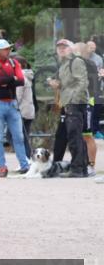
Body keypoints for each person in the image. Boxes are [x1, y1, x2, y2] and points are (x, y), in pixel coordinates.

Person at [0, 39, 30, 177]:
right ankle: (2, 167)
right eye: (5, 49)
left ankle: (24, 165)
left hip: (12, 103)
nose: (8, 51)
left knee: (19, 136)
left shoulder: (14, 63)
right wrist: (11, 79)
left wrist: (4, 79)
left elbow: (21, 80)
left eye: (9, 49)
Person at [48, 39, 90, 177]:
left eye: (64, 47)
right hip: (68, 102)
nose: (61, 49)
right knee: (75, 135)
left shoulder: (76, 61)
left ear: (71, 48)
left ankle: (77, 169)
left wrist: (73, 101)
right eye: (59, 47)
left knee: (74, 136)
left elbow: (82, 82)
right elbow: (67, 84)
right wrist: (56, 84)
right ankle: (81, 169)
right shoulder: (64, 64)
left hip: (74, 103)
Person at [75, 42, 99, 175]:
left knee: (87, 135)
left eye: (75, 50)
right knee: (78, 135)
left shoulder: (89, 64)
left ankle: (91, 165)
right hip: (75, 102)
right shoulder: (73, 63)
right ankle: (81, 163)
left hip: (87, 101)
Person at [15, 57, 36, 161]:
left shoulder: (21, 77)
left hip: (22, 111)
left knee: (14, 136)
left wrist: (12, 107)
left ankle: (27, 159)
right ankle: (28, 159)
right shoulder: (27, 75)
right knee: (24, 137)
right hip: (29, 111)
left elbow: (18, 96)